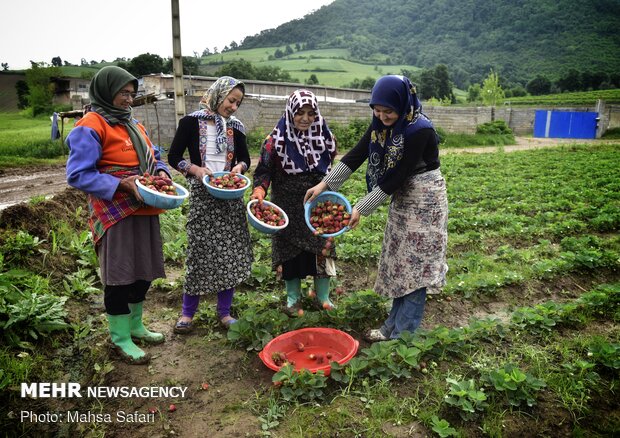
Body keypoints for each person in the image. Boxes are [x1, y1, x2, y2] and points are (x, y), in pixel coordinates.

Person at [305, 75, 448, 341]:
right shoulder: (380, 125)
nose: (382, 116)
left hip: (425, 199)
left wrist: (361, 207)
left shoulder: (420, 130)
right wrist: (324, 185)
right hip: (402, 197)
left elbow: (398, 175)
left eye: (388, 111)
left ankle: (401, 337)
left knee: (415, 267)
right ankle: (391, 325)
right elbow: (357, 155)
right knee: (399, 260)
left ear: (403, 104)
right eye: (377, 110)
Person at [66, 66, 169, 364]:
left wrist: (160, 173)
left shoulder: (133, 124)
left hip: (145, 203)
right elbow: (78, 175)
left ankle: (136, 325)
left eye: (132, 94)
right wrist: (120, 184)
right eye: (123, 93)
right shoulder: (91, 125)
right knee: (120, 274)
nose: (128, 99)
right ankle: (120, 337)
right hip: (115, 208)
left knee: (144, 270)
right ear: (106, 91)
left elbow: (154, 156)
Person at [167, 76, 252, 333]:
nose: (234, 107)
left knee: (230, 252)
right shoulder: (191, 122)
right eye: (231, 100)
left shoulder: (236, 127)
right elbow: (173, 156)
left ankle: (224, 313)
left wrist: (239, 167)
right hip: (203, 196)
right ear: (218, 95)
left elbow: (245, 159)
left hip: (230, 195)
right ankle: (187, 313)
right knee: (199, 250)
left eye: (238, 102)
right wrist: (194, 169)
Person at [251, 89, 338, 315]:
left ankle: (323, 298)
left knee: (321, 249)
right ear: (291, 112)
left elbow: (331, 169)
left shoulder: (326, 137)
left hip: (318, 205)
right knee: (289, 252)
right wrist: (259, 189)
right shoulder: (274, 141)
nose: (306, 118)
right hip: (287, 204)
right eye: (300, 113)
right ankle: (293, 299)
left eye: (311, 113)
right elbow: (263, 171)